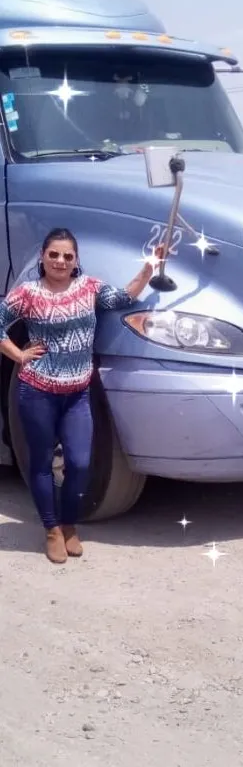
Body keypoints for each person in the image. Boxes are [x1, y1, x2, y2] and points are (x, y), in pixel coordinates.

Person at [0, 228, 163, 565]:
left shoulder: (89, 288)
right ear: (43, 257)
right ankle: (51, 530)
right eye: (54, 254)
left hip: (77, 393)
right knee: (41, 463)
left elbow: (124, 298)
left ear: (76, 261)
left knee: (79, 463)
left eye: (68, 256)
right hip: (37, 392)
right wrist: (17, 354)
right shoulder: (27, 293)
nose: (61, 261)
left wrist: (149, 269)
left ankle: (69, 522)